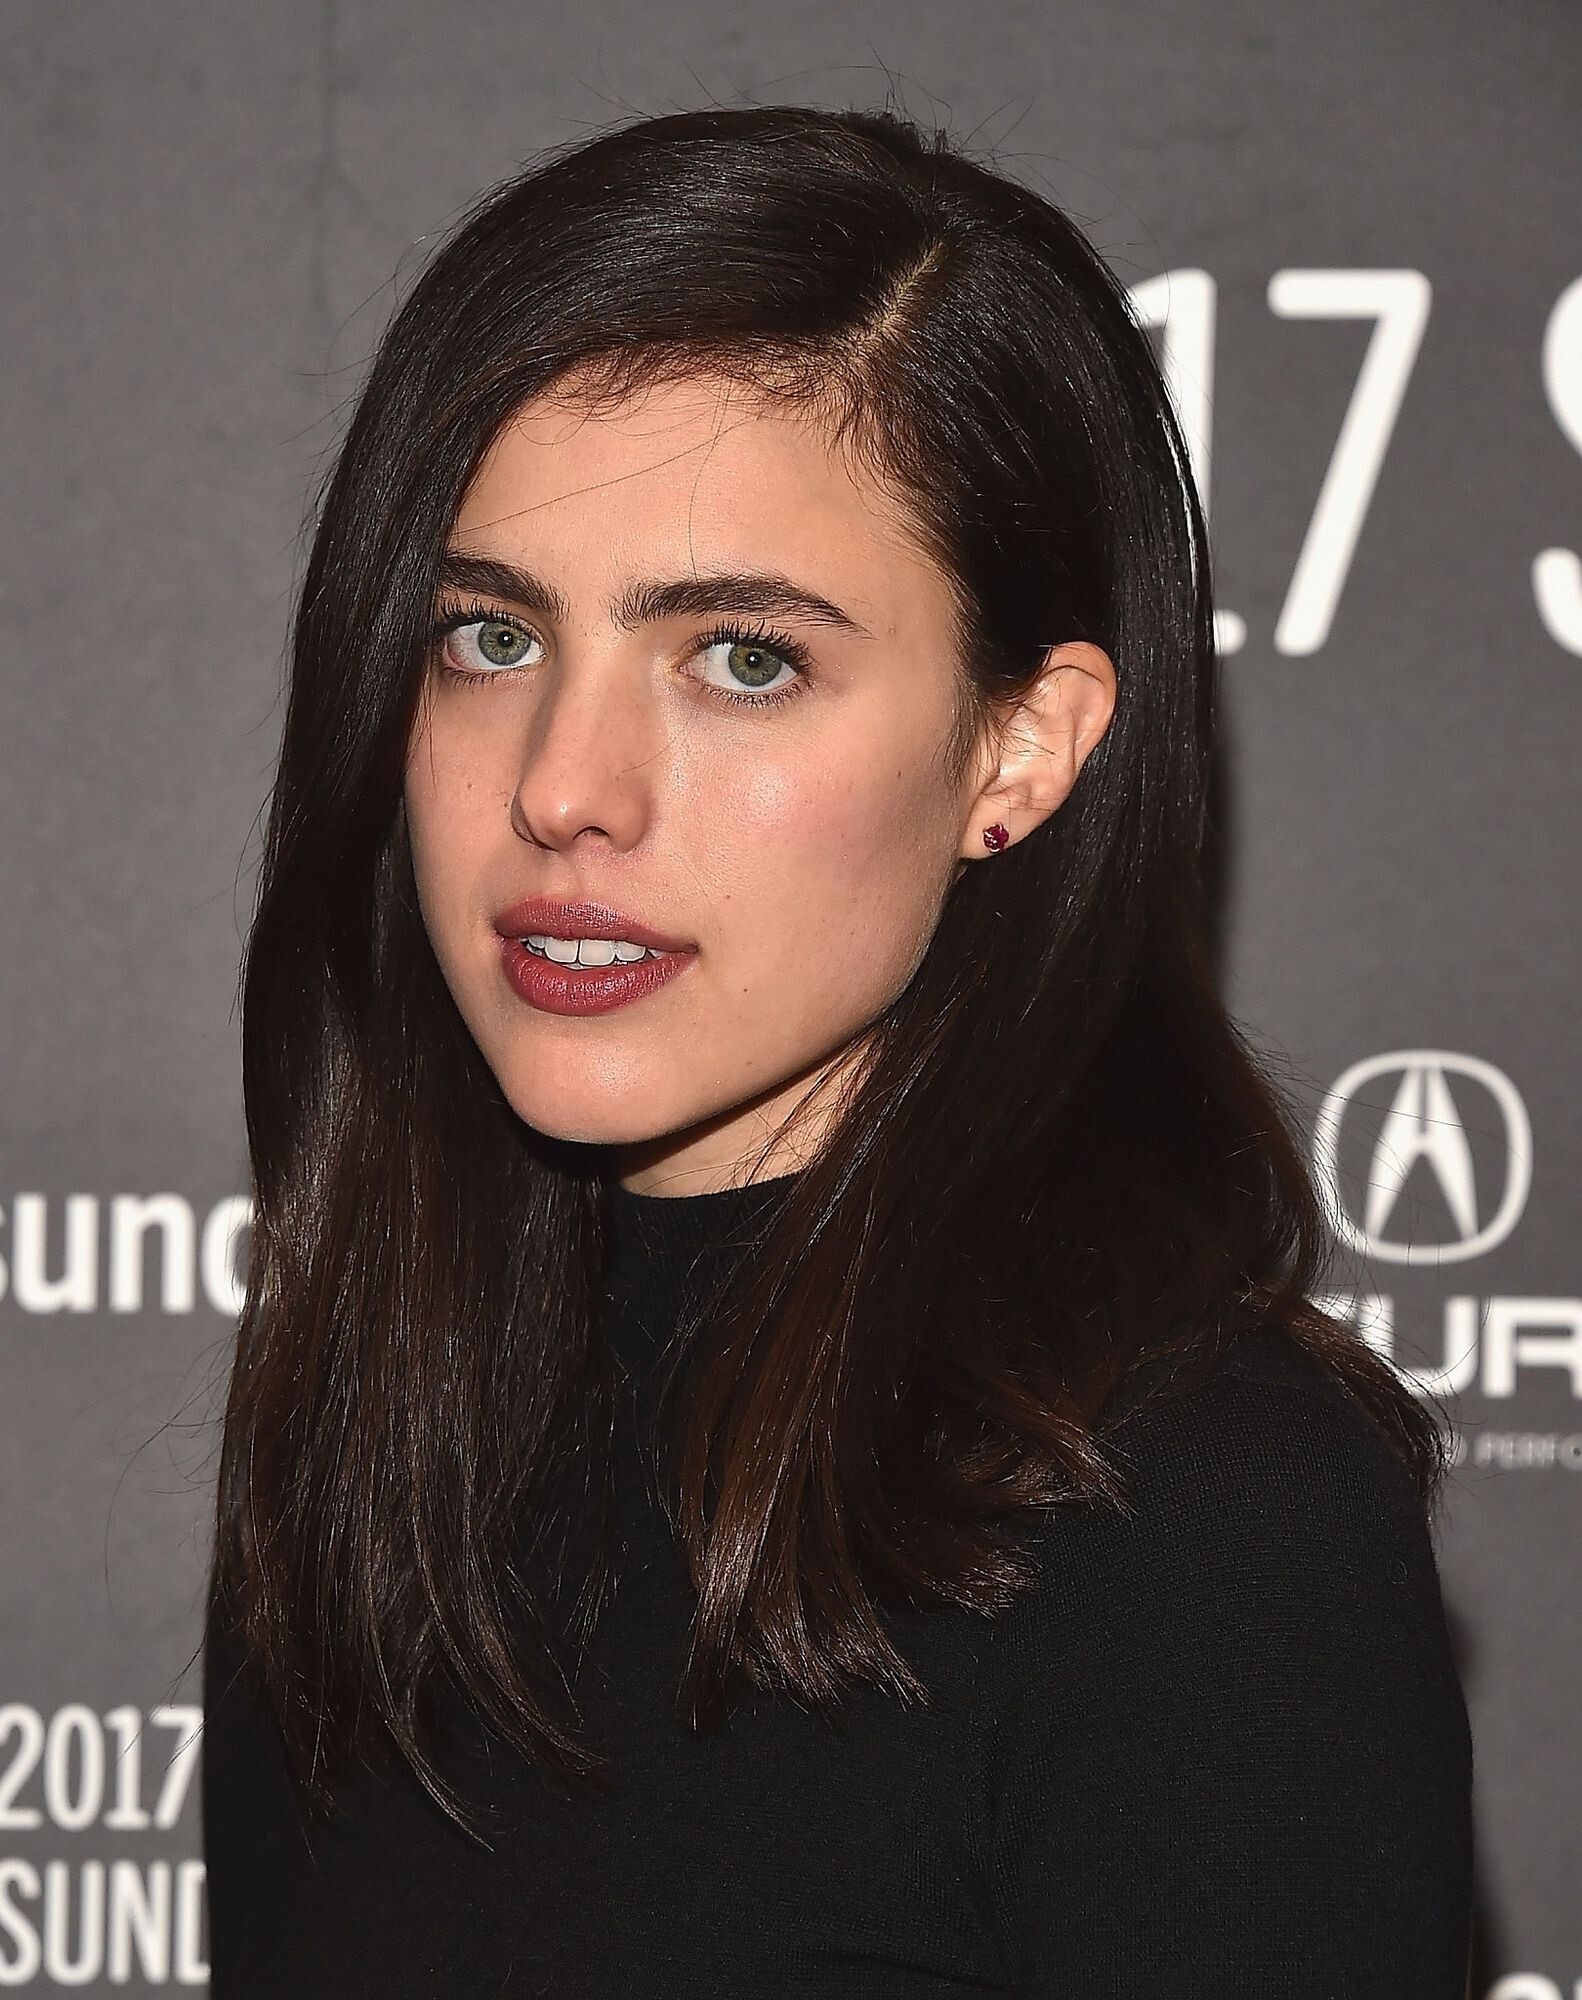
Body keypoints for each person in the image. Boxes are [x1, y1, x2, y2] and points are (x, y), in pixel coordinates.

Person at [201, 102, 1474, 1996]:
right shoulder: (387, 1424)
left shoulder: (1204, 1519)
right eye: (489, 637)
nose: (563, 787)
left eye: (744, 658)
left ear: (1016, 748)